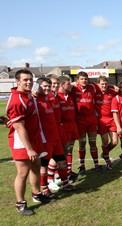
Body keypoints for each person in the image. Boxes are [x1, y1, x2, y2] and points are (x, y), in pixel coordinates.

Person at [6, 69, 53, 215]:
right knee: (22, 173)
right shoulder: (16, 100)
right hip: (22, 143)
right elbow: (19, 127)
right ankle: (20, 203)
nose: (28, 82)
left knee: (36, 166)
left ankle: (36, 193)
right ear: (17, 81)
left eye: (30, 79)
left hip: (35, 139)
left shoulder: (27, 95)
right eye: (25, 80)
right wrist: (29, 148)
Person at [33, 77, 74, 193]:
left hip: (56, 135)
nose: (48, 88)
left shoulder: (49, 98)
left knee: (61, 161)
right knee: (44, 165)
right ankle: (45, 188)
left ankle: (65, 184)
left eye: (48, 86)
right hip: (45, 138)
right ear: (38, 86)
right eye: (44, 86)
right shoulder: (35, 100)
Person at [70, 71, 102, 174]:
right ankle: (82, 166)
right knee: (82, 143)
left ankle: (96, 164)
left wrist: (113, 86)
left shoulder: (92, 86)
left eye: (86, 79)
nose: (84, 81)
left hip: (91, 119)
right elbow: (62, 88)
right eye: (82, 79)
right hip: (80, 120)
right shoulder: (73, 88)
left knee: (93, 142)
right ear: (78, 80)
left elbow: (103, 85)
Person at [57, 75, 80, 181]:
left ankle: (68, 171)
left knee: (70, 149)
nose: (70, 85)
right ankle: (59, 174)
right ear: (61, 85)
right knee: (63, 150)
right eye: (68, 83)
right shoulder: (56, 96)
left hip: (72, 125)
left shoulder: (69, 94)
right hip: (63, 126)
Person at [95, 76, 118, 169]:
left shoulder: (112, 91)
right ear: (98, 84)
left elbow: (120, 90)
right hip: (101, 120)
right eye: (102, 84)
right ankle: (107, 159)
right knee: (105, 141)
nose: (104, 86)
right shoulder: (95, 91)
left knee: (115, 141)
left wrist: (114, 86)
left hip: (111, 119)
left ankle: (105, 153)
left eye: (105, 84)